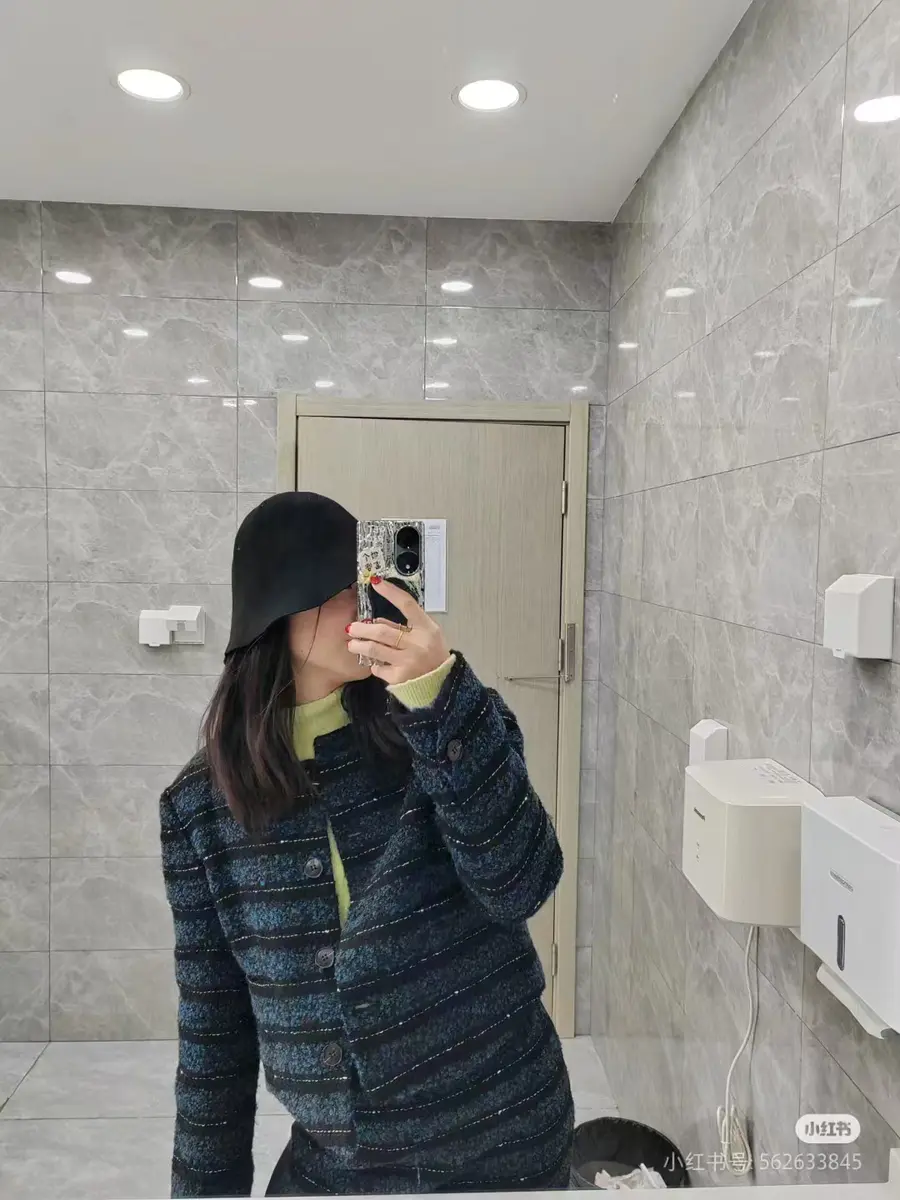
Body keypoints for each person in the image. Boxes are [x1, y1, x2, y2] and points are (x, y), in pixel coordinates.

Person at [160, 491, 573, 1197]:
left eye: (372, 579)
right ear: (278, 606)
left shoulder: (447, 722)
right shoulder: (202, 807)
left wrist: (439, 697)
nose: (370, 600)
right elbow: (214, 1032)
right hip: (342, 1165)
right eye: (345, 586)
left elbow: (522, 883)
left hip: (505, 1136)